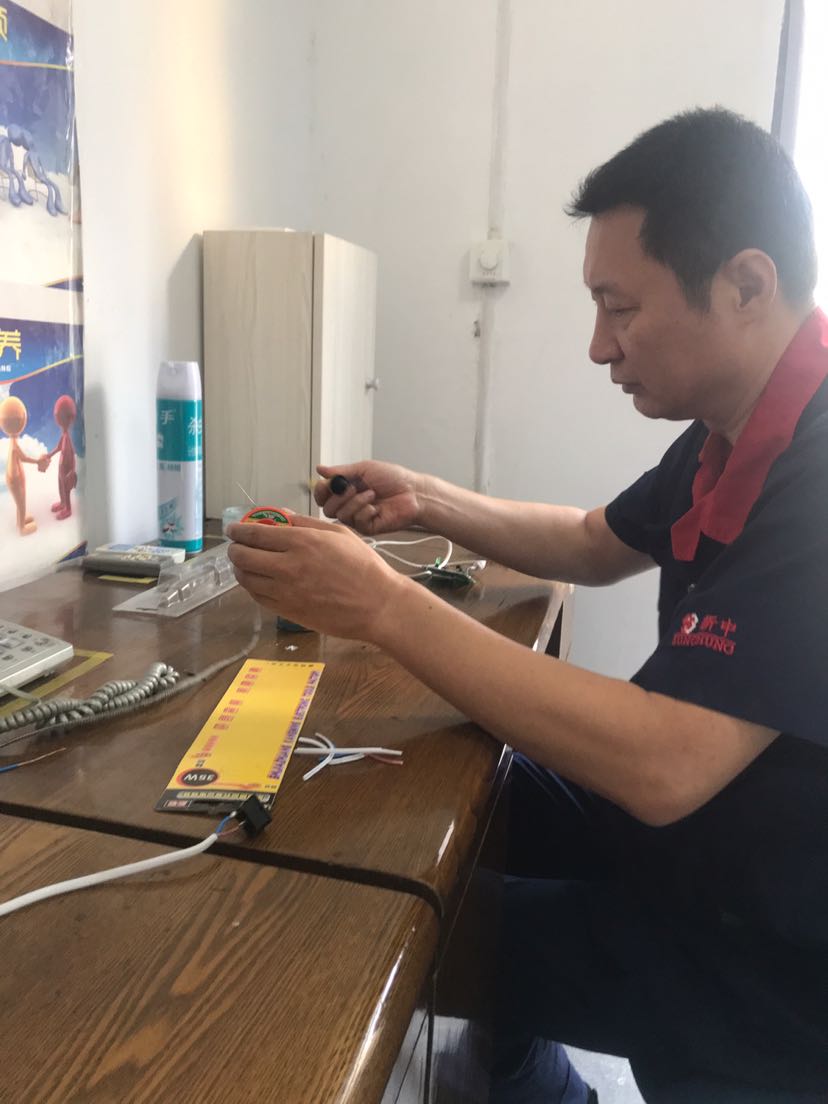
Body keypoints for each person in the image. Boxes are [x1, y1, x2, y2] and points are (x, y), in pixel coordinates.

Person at [228, 108, 828, 1102]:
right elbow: (591, 541)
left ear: (748, 286)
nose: (599, 347)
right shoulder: (730, 431)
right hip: (697, 848)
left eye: (619, 308)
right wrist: (427, 498)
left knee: (407, 925)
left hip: (760, 958)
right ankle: (531, 1080)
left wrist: (381, 603)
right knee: (421, 790)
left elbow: (667, 762)